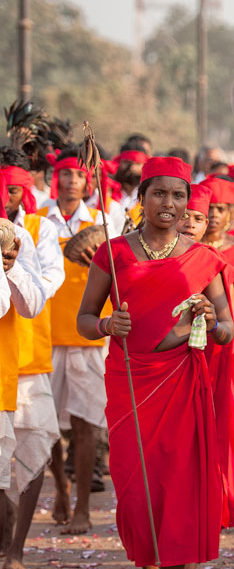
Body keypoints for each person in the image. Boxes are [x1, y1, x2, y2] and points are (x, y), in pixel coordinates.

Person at [77, 156, 234, 566]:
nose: (170, 202)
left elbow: (228, 332)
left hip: (182, 382)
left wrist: (211, 319)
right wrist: (109, 324)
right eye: (160, 193)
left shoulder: (202, 258)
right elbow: (85, 319)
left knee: (180, 482)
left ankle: (178, 560)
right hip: (131, 382)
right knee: (136, 487)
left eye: (179, 195)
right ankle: (147, 559)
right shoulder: (113, 253)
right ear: (141, 197)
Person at [37, 148, 119, 534]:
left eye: (79, 175)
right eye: (65, 173)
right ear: (57, 178)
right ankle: (60, 488)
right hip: (46, 335)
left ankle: (83, 507)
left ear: (89, 182)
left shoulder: (104, 222)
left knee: (86, 426)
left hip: (90, 338)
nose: (72, 181)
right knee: (50, 425)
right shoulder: (37, 222)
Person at [177, 182, 234, 529]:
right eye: (191, 217)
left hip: (217, 361)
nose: (200, 222)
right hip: (170, 365)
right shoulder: (150, 258)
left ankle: (215, 503)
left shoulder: (218, 262)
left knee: (215, 432)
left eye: (204, 216)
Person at [1, 151, 64, 569]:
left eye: (12, 188)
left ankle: (15, 549)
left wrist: (10, 263)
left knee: (34, 448)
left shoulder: (41, 229)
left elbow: (38, 298)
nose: (6, 195)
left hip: (31, 359)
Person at [0, 170, 46, 559]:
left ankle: (11, 549)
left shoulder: (21, 236)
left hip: (12, 371)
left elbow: (29, 305)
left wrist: (9, 265)